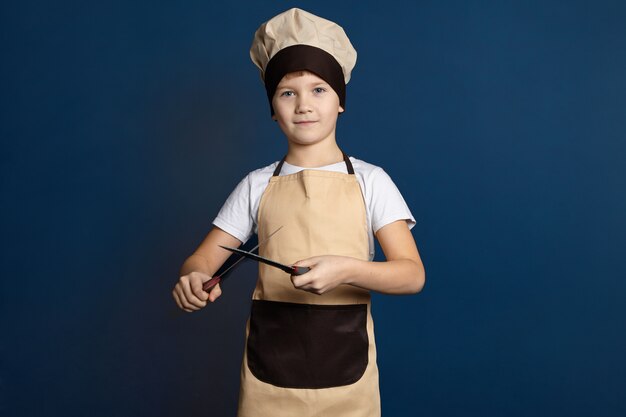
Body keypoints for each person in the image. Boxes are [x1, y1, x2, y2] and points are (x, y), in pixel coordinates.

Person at [172, 8, 425, 417]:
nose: (304, 104)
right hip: (269, 370)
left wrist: (345, 269)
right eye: (288, 92)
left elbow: (412, 275)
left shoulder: (371, 180)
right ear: (272, 107)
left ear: (340, 101)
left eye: (319, 90)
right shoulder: (256, 184)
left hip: (348, 374)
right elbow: (203, 259)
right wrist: (193, 277)